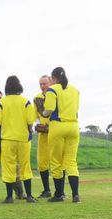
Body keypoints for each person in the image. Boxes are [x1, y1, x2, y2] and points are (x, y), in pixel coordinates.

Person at [0, 76, 37, 203]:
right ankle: (28, 196)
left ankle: (9, 197)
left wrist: (1, 133)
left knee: (8, 167)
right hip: (23, 139)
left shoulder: (2, 102)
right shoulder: (25, 102)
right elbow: (30, 122)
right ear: (19, 86)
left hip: (7, 139)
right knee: (25, 166)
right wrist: (29, 132)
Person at [43, 67, 81, 203]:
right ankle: (75, 194)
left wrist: (43, 114)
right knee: (71, 162)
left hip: (58, 126)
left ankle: (59, 194)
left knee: (56, 161)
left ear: (53, 78)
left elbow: (49, 109)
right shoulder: (75, 90)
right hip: (74, 126)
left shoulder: (53, 89)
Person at [33, 75, 53, 198]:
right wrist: (38, 124)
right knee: (42, 161)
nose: (42, 86)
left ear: (50, 83)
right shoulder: (37, 98)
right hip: (43, 133)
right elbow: (34, 115)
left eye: (45, 83)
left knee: (58, 161)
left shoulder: (56, 95)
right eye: (40, 83)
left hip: (56, 131)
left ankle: (60, 190)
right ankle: (46, 190)